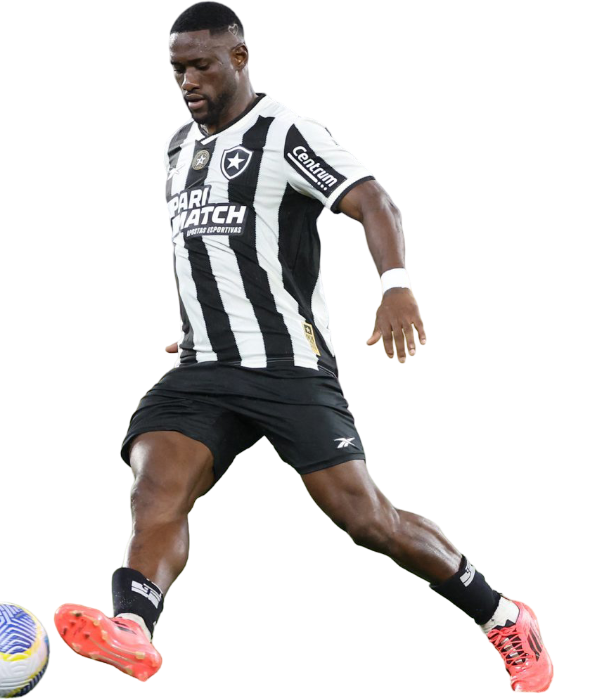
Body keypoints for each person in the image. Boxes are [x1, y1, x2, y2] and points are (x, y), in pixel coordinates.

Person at [53, 1, 554, 691]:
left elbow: (374, 202)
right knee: (154, 485)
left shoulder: (287, 133)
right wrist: (202, 321)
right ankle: (132, 627)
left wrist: (396, 287)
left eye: (201, 65)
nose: (188, 81)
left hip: (289, 366)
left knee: (366, 519)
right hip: (203, 367)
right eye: (176, 68)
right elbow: (209, 251)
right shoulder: (175, 148)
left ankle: (503, 616)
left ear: (239, 57)